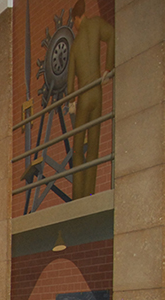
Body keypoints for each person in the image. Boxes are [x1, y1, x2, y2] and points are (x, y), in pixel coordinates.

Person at [67, 0, 114, 200]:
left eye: (74, 22)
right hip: (97, 90)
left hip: (83, 96)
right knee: (93, 147)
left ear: (77, 18)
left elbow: (70, 79)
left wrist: (71, 102)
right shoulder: (96, 26)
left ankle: (78, 196)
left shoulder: (76, 45)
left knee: (78, 149)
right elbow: (112, 35)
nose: (74, 27)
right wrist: (108, 69)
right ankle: (90, 194)